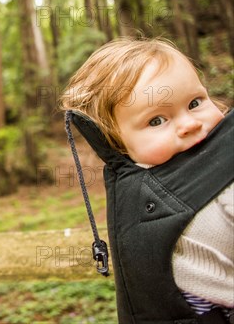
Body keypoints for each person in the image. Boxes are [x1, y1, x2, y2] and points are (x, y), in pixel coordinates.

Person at [59, 37, 233, 322]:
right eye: (156, 120)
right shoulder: (133, 184)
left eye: (195, 102)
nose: (190, 124)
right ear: (116, 142)